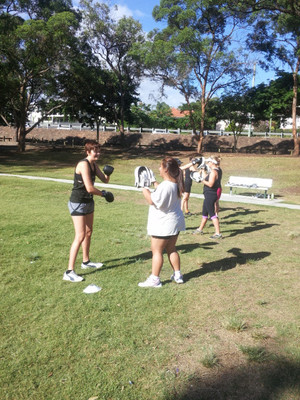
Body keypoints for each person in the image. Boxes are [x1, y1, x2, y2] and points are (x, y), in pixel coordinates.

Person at [63, 140, 112, 282]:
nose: (98, 153)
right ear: (88, 152)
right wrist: (103, 194)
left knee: (89, 232)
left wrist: (108, 173)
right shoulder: (83, 164)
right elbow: (89, 188)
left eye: (99, 150)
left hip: (88, 202)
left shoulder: (94, 165)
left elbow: (105, 180)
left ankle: (86, 261)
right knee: (80, 235)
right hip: (77, 202)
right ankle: (69, 271)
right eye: (95, 151)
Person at [138, 157, 186, 288]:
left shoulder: (166, 185)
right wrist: (154, 182)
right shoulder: (175, 183)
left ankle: (155, 279)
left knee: (157, 251)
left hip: (164, 224)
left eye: (160, 166)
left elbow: (152, 200)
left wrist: (143, 186)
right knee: (171, 249)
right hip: (174, 223)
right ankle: (178, 275)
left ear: (166, 169)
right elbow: (162, 192)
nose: (159, 169)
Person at [193, 155, 222, 239]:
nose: (207, 163)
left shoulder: (214, 172)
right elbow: (207, 178)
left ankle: (218, 233)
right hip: (209, 194)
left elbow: (210, 184)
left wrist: (200, 180)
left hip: (211, 194)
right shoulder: (216, 170)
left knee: (212, 214)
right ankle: (200, 229)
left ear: (213, 162)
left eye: (209, 161)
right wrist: (202, 172)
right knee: (204, 212)